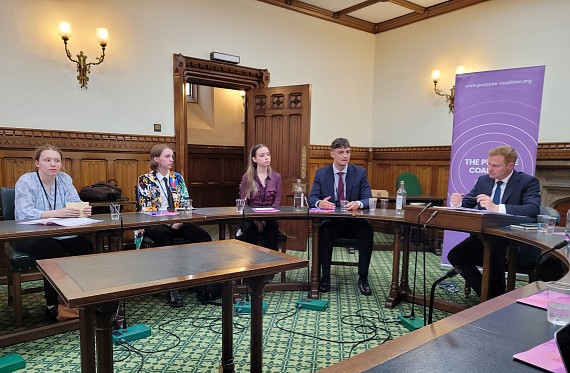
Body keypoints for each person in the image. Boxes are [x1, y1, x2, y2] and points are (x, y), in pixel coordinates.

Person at [448, 145, 540, 299]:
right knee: (456, 255)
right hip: (483, 236)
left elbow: (532, 209)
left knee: (494, 252)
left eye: (495, 165)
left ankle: (493, 296)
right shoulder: (484, 180)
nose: (489, 169)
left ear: (510, 166)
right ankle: (489, 296)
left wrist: (496, 207)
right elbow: (468, 202)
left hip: (512, 239)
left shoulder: (527, 182)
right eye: (488, 164)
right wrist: (457, 203)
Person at [14, 144, 94, 321]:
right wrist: (56, 213)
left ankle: (80, 299)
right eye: (47, 160)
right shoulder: (26, 181)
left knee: (85, 246)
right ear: (37, 163)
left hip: (60, 231)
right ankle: (52, 304)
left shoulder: (64, 179)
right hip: (30, 233)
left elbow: (74, 202)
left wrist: (82, 210)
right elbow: (23, 213)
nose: (53, 164)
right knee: (53, 252)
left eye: (57, 160)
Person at [137, 144, 212, 307]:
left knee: (204, 237)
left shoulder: (177, 178)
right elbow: (146, 209)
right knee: (165, 236)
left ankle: (200, 281)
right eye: (167, 156)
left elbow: (186, 202)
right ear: (156, 159)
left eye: (172, 156)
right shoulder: (144, 180)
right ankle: (172, 287)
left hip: (178, 220)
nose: (171, 159)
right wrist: (169, 222)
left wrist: (180, 219)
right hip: (154, 222)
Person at [308, 138, 374, 295]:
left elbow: (368, 198)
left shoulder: (359, 173)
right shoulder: (321, 173)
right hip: (332, 221)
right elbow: (311, 198)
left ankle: (363, 278)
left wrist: (358, 203)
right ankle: (325, 277)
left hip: (353, 221)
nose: (345, 156)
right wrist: (319, 203)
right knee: (324, 231)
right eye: (341, 152)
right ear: (332, 154)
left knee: (367, 231)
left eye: (348, 152)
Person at [238, 144, 282, 250]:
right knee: (251, 231)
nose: (266, 157)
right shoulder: (246, 178)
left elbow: (277, 201)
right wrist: (256, 219)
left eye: (268, 154)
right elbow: (244, 203)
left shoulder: (276, 177)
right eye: (262, 155)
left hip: (270, 217)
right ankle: (253, 264)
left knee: (271, 232)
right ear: (254, 159)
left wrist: (265, 218)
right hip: (250, 218)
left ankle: (270, 264)